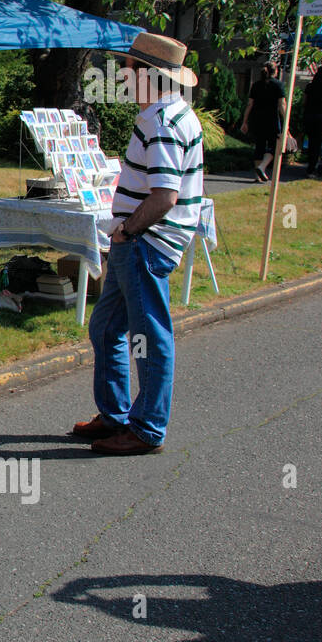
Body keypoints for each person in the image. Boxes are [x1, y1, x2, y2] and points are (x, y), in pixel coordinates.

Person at [72, 33, 204, 455]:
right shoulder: (175, 115)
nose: (122, 77)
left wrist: (128, 231)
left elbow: (165, 195)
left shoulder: (159, 122)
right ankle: (116, 415)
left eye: (127, 69)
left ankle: (145, 428)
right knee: (107, 327)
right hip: (142, 243)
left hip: (145, 244)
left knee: (148, 337)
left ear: (145, 75)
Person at [240, 62, 286, 181]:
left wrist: (245, 121)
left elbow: (250, 104)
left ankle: (257, 176)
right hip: (272, 119)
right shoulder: (278, 85)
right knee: (274, 145)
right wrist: (286, 120)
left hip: (257, 119)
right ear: (275, 71)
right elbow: (282, 104)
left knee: (259, 146)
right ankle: (262, 166)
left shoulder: (256, 85)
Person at [302, 63, 322, 177]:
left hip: (309, 116)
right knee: (317, 142)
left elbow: (304, 102)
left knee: (311, 142)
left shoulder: (310, 85)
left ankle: (310, 165)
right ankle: (312, 168)